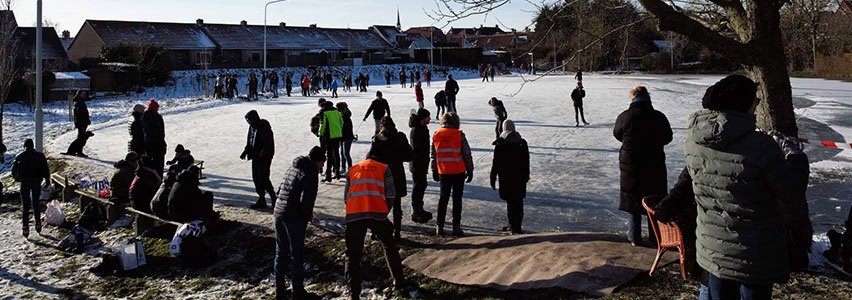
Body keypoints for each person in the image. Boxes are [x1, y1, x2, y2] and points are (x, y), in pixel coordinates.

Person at [684, 75, 809, 299]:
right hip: (754, 253)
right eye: (756, 100)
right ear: (744, 104)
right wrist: (795, 157)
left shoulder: (694, 140)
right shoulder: (762, 146)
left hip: (713, 247)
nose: (758, 104)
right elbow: (792, 192)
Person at [613, 86, 672, 246]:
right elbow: (668, 137)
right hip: (654, 165)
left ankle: (634, 237)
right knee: (654, 200)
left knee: (633, 200)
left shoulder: (625, 116)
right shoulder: (658, 116)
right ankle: (656, 238)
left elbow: (617, 133)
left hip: (630, 165)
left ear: (632, 98)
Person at [344, 154, 406, 299]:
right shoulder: (384, 169)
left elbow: (346, 196)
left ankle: (353, 292)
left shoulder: (352, 170)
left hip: (354, 215)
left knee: (352, 254)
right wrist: (385, 211)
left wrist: (354, 208)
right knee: (389, 245)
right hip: (377, 213)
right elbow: (391, 193)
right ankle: (399, 280)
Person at [274, 146, 325, 300]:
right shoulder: (310, 172)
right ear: (318, 161)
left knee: (280, 252)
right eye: (322, 162)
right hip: (293, 217)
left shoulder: (293, 167)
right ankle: (298, 292)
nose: (323, 166)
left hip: (279, 212)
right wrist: (307, 216)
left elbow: (279, 190)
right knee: (297, 254)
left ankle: (280, 291)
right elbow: (307, 199)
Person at [367, 117, 413, 242]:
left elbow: (369, 158)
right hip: (397, 174)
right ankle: (397, 232)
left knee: (380, 204)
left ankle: (376, 231)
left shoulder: (377, 139)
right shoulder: (400, 137)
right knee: (397, 205)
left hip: (381, 175)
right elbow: (409, 156)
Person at [431, 112, 474, 236]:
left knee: (443, 199)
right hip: (458, 171)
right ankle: (456, 227)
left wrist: (434, 169)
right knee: (457, 200)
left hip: (443, 171)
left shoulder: (436, 135)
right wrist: (470, 169)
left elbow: (433, 154)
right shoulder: (459, 135)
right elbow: (466, 154)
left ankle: (439, 226)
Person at [490, 120, 529, 234]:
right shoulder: (522, 142)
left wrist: (493, 177)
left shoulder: (500, 143)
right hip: (520, 177)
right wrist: (526, 175)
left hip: (506, 177)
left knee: (510, 202)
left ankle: (512, 225)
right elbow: (526, 160)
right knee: (519, 201)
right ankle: (518, 226)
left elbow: (496, 162)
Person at [11, 139, 51, 238]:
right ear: (33, 146)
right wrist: (47, 180)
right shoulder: (40, 156)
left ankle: (25, 227)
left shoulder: (20, 156)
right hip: (37, 181)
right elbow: (46, 169)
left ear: (24, 146)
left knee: (25, 205)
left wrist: (18, 179)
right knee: (35, 202)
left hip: (25, 181)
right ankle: (37, 222)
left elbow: (13, 171)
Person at [241, 110, 277, 209]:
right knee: (256, 179)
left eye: (249, 120)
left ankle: (273, 197)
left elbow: (267, 145)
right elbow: (250, 141)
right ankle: (261, 199)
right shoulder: (252, 127)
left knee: (264, 178)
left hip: (265, 158)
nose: (248, 122)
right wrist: (245, 151)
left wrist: (263, 156)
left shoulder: (263, 127)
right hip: (255, 157)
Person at [408, 108, 434, 224]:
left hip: (422, 162)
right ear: (423, 118)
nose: (430, 119)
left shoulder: (423, 128)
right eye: (428, 117)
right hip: (417, 163)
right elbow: (416, 149)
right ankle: (415, 211)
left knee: (422, 185)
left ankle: (420, 208)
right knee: (418, 186)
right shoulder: (416, 130)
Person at [129, 155, 162, 233]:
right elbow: (156, 191)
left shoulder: (141, 172)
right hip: (141, 203)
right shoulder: (148, 175)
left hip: (135, 201)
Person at [317, 100, 344, 182]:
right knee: (336, 154)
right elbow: (341, 122)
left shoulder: (324, 111)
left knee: (329, 155)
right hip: (337, 135)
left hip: (329, 136)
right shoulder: (336, 111)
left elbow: (323, 124)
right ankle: (337, 173)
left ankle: (328, 175)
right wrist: (339, 130)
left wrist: (320, 133)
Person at [143, 99, 167, 175]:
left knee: (150, 164)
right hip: (158, 145)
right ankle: (158, 180)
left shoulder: (144, 117)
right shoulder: (157, 117)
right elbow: (161, 133)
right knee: (159, 165)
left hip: (148, 144)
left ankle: (151, 179)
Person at [336, 102, 355, 172]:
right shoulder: (343, 115)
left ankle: (351, 168)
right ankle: (343, 168)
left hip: (347, 137)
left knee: (346, 153)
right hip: (343, 137)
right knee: (342, 153)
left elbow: (345, 129)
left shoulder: (345, 117)